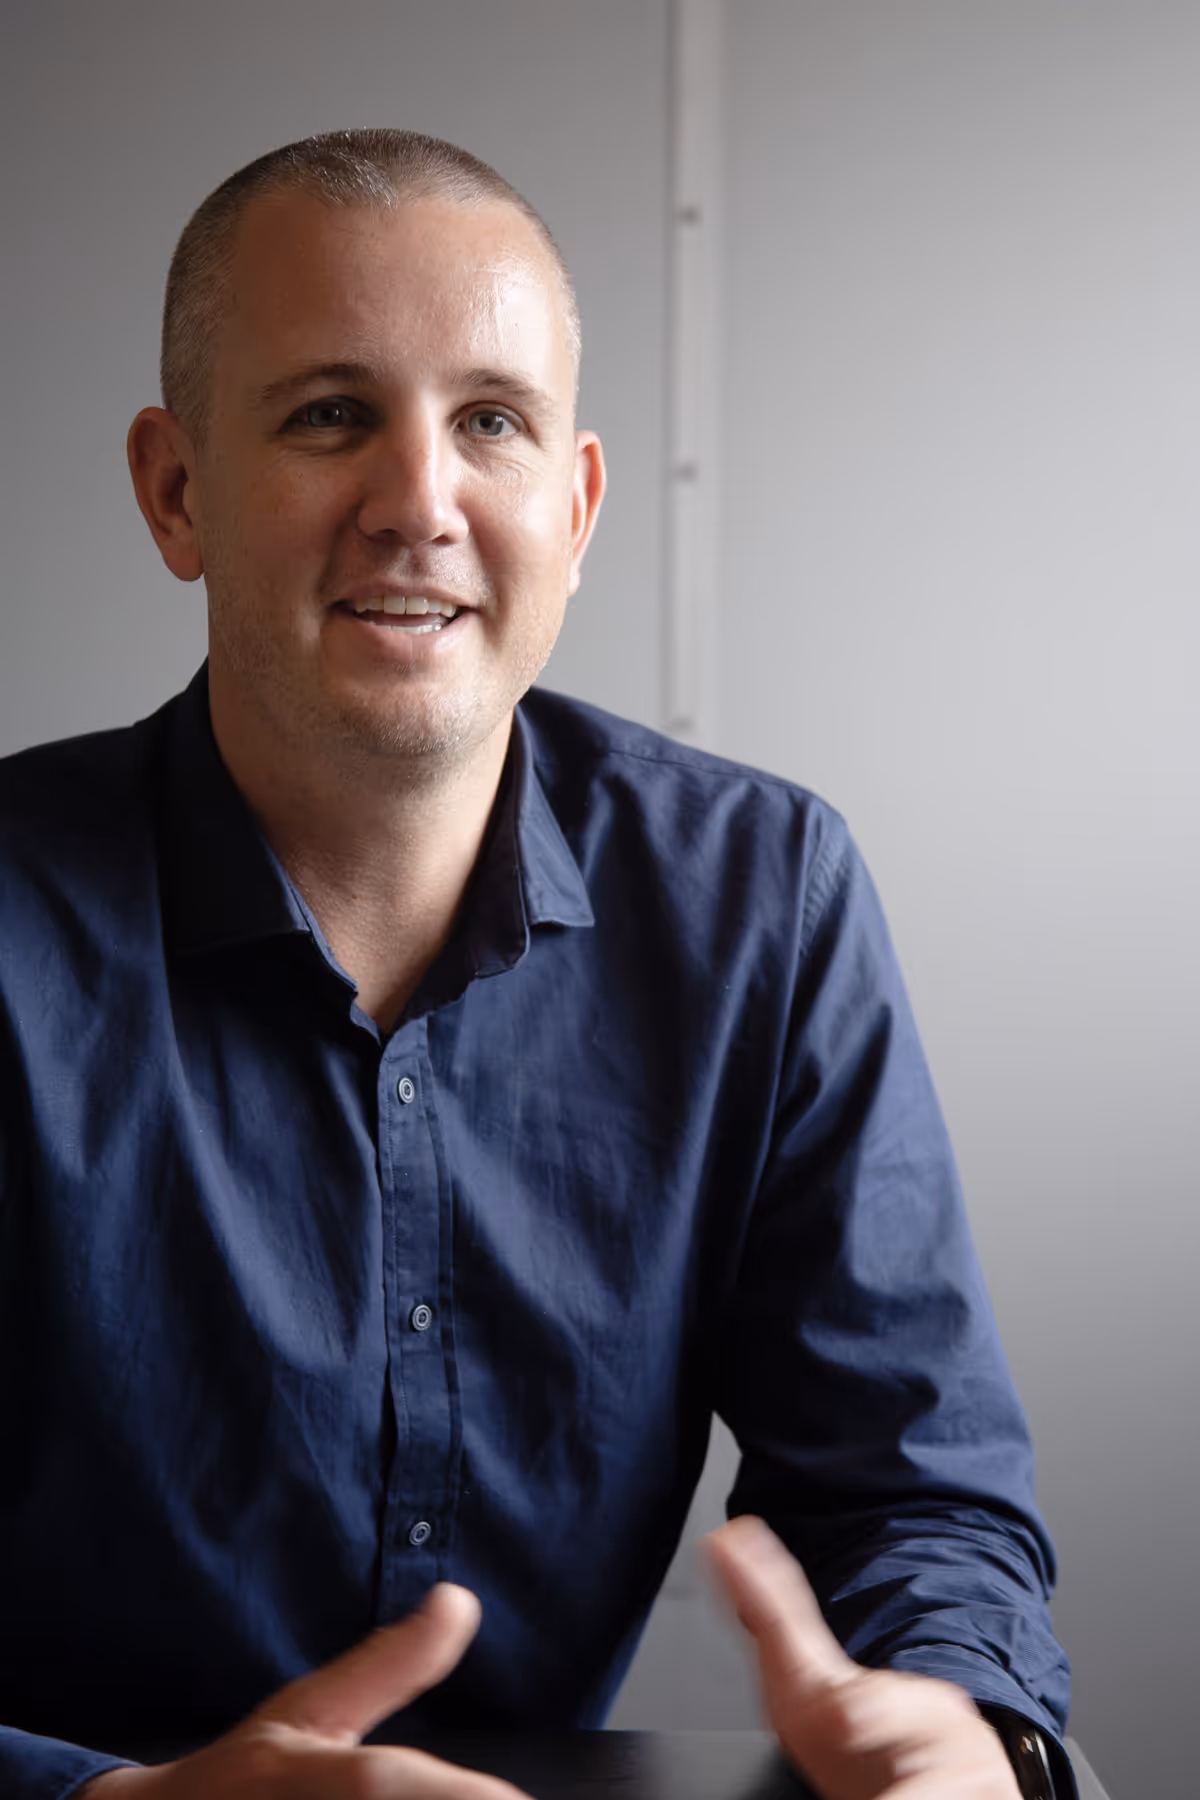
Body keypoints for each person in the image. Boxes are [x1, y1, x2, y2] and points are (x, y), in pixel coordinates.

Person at [0, 130, 1074, 1800]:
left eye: (490, 422)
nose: (420, 503)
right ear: (177, 490)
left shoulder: (763, 899)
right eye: (330, 414)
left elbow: (910, 1491)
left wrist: (962, 1728)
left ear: (572, 510)